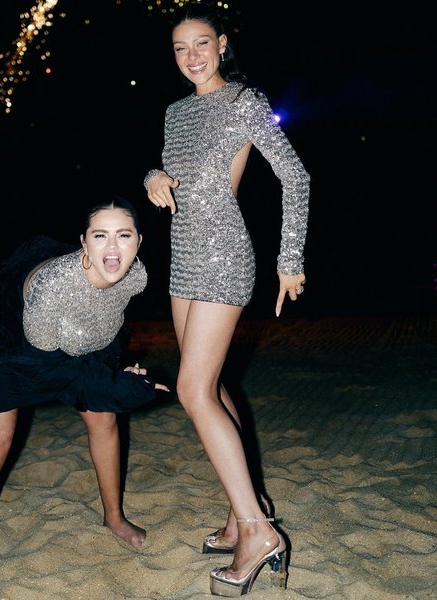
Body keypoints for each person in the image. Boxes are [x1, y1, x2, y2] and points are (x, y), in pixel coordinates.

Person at [143, 5, 310, 597]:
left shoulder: (243, 101)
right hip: (182, 258)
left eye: (201, 43)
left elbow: (296, 176)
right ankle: (246, 506)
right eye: (180, 47)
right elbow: (175, 173)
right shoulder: (174, 112)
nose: (191, 56)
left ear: (221, 44)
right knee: (208, 388)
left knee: (192, 391)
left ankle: (258, 531)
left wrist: (290, 258)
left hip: (224, 255)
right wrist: (153, 178)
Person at [0, 196, 169, 600]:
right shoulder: (53, 287)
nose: (112, 248)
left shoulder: (136, 277)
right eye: (100, 236)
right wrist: (113, 386)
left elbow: (99, 334)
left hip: (84, 333)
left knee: (103, 418)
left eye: (123, 236)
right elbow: (49, 367)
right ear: (83, 242)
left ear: (139, 241)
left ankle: (114, 518)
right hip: (12, 334)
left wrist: (114, 380)